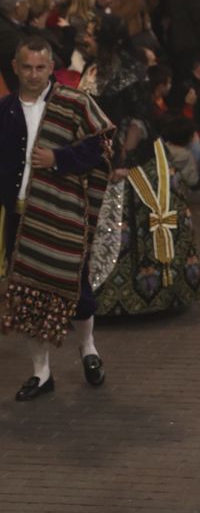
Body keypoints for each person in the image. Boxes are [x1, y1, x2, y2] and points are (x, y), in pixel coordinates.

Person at [1, 38, 113, 400]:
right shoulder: (5, 110)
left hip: (64, 217)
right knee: (26, 295)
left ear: (52, 69)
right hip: (20, 220)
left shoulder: (75, 102)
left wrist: (60, 158)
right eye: (27, 67)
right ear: (16, 68)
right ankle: (41, 373)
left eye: (41, 68)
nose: (33, 75)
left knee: (76, 289)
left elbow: (104, 144)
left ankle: (88, 348)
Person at [82, 16, 200, 316]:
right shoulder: (97, 68)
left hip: (131, 159)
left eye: (90, 35)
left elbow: (135, 121)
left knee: (132, 222)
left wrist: (121, 161)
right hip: (97, 156)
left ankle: (139, 297)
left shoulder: (129, 72)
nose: (85, 39)